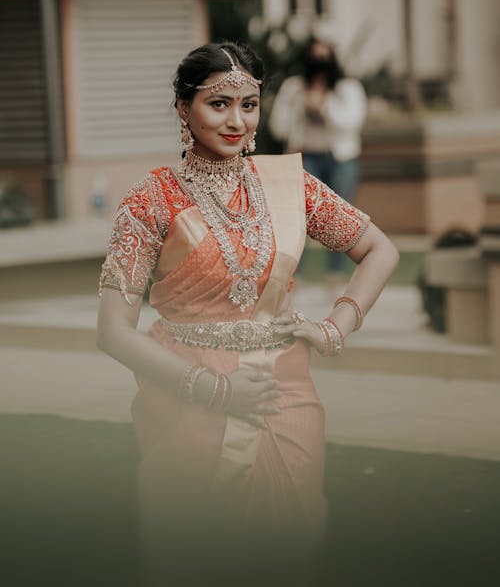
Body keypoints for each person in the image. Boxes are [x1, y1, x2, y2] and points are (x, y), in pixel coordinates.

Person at [97, 42, 398, 586]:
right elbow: (113, 332)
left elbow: (381, 250)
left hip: (284, 395)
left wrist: (334, 326)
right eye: (219, 104)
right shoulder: (150, 201)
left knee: (288, 550)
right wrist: (214, 390)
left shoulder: (289, 186)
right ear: (183, 108)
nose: (237, 120)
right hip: (186, 396)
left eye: (249, 104)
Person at [269, 38, 367, 280]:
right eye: (315, 58)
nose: (319, 65)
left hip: (340, 159)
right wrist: (301, 104)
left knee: (339, 217)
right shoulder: (293, 88)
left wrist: (323, 107)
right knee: (298, 217)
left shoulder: (348, 89)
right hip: (305, 157)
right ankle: (294, 275)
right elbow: (278, 127)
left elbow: (352, 123)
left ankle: (335, 274)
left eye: (324, 59)